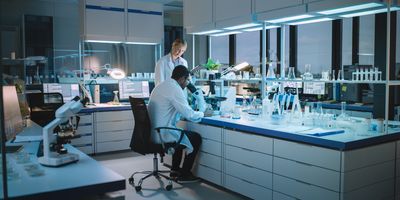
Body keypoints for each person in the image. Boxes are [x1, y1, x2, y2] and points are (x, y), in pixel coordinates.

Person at [148, 65, 203, 183]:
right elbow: (190, 115)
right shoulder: (175, 89)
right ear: (182, 78)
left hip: (152, 132)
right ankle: (185, 174)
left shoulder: (162, 85)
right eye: (187, 80)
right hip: (162, 133)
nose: (187, 83)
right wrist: (202, 113)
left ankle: (174, 170)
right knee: (195, 138)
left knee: (179, 134)